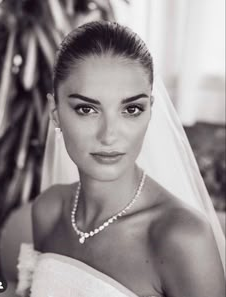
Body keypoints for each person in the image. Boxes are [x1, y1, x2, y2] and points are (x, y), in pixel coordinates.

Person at [16, 21, 225, 297]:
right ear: (55, 112)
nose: (109, 135)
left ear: (150, 110)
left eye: (131, 109)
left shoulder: (182, 238)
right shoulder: (49, 209)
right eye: (87, 109)